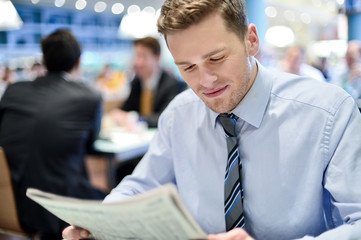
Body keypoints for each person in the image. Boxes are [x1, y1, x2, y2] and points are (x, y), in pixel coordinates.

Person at [63, 0, 361, 239]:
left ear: (251, 40)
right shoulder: (179, 114)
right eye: (187, 67)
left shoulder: (328, 113)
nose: (205, 81)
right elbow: (141, 185)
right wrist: (98, 224)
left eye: (216, 59)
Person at [0, 29, 106, 240]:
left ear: (45, 60)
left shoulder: (13, 91)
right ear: (78, 62)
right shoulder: (89, 96)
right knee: (113, 199)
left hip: (9, 203)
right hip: (58, 210)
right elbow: (91, 146)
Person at [110, 37, 185, 128]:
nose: (138, 62)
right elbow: (125, 109)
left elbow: (165, 118)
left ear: (157, 57)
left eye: (143, 56)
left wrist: (133, 118)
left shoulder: (172, 84)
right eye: (136, 56)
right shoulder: (136, 82)